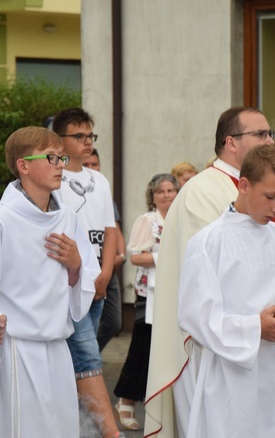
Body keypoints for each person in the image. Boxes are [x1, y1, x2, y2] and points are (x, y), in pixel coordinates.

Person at [144, 107, 275, 438]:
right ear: (231, 142)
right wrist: (255, 326)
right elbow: (201, 306)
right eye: (261, 134)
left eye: (272, 134)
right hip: (230, 365)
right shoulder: (202, 196)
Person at [0, 126, 99, 437]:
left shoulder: (69, 220)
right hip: (17, 353)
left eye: (61, 157)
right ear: (23, 165)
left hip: (58, 351)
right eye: (52, 158)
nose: (61, 164)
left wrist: (76, 266)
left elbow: (87, 282)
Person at [177, 144, 275, 437]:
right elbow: (196, 315)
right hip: (230, 379)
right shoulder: (209, 242)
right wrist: (255, 327)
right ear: (243, 185)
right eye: (270, 197)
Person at [53, 108, 120, 438]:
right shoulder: (54, 179)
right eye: (79, 136)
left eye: (90, 136)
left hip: (98, 280)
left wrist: (106, 270)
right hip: (72, 282)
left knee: (76, 359)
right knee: (87, 357)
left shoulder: (99, 179)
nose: (87, 142)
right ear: (60, 141)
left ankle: (73, 425)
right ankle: (110, 433)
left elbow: (109, 229)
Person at [114, 173, 179, 430]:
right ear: (152, 197)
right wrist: (163, 257)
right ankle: (126, 400)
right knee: (142, 347)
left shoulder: (180, 218)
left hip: (173, 292)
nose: (166, 195)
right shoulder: (147, 221)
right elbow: (136, 257)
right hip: (148, 294)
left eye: (170, 190)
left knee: (167, 350)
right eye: (160, 191)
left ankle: (160, 408)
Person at [84, 148, 126, 352]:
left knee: (114, 322)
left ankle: (88, 354)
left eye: (95, 164)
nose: (92, 169)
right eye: (86, 165)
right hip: (84, 269)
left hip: (107, 266)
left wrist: (120, 256)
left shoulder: (102, 191)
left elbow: (114, 230)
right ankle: (87, 359)